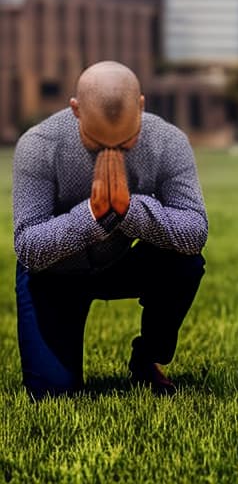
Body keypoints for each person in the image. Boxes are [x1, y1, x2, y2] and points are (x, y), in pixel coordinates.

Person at [12, 61, 208, 400]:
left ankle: (147, 359)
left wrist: (130, 211)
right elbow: (28, 247)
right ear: (75, 110)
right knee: (53, 396)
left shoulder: (169, 142)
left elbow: (195, 232)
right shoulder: (38, 145)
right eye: (96, 140)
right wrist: (91, 216)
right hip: (54, 275)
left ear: (142, 106)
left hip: (119, 265)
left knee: (185, 263)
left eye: (127, 141)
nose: (111, 153)